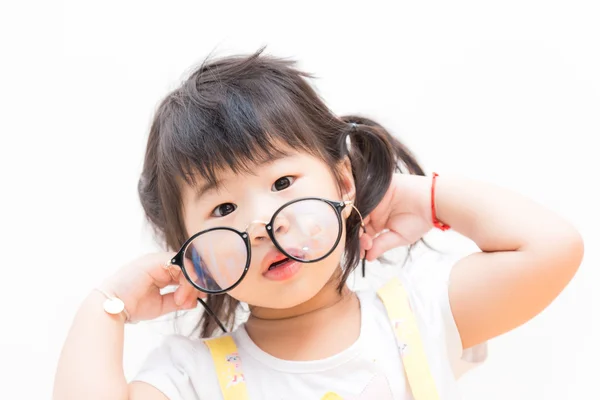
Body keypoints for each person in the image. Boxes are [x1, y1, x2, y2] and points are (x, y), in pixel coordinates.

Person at [53, 49, 584, 400]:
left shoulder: (416, 310)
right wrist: (108, 307)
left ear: (343, 183)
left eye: (283, 183)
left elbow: (551, 248)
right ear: (194, 254)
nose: (260, 224)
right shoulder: (191, 377)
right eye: (222, 210)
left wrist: (422, 195)